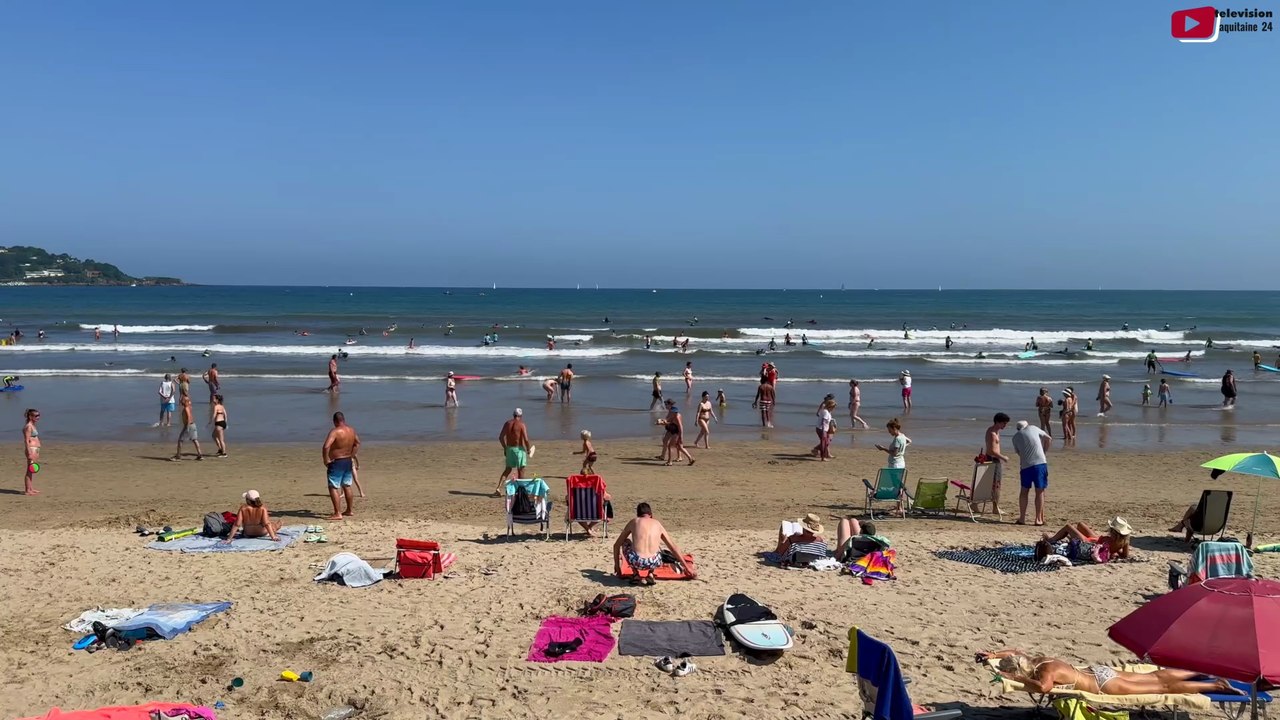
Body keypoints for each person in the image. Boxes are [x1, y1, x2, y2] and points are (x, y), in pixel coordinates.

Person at [980, 649, 1240, 696]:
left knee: (1162, 688)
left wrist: (1014, 679)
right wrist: (993, 655)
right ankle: (1197, 672)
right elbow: (1013, 649)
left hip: (1104, 686)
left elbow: (1044, 688)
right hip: (1099, 670)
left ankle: (1214, 685)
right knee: (1156, 677)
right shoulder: (1039, 658)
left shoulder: (1043, 672)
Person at [613, 502, 696, 584]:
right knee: (657, 546)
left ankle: (635, 574)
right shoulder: (657, 524)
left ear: (638, 515)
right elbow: (673, 547)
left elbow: (616, 545)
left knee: (625, 541)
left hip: (637, 561)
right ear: (651, 515)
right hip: (654, 562)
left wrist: (617, 568)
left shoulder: (634, 522)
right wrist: (686, 567)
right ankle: (650, 574)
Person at [1039, 517, 1132, 562]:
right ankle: (1059, 538)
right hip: (1096, 539)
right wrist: (1115, 551)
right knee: (1080, 524)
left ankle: (1051, 540)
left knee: (1068, 527)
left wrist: (1112, 552)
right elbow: (1125, 555)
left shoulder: (1109, 540)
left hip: (1088, 543)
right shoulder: (1124, 542)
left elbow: (1099, 547)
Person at [1011, 420, 1051, 526]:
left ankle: (1022, 518)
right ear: (1027, 426)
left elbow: (1019, 453)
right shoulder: (1033, 428)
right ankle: (1038, 519)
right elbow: (1048, 438)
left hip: (1025, 466)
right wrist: (1044, 451)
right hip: (1039, 463)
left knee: (1024, 491)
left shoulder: (1015, 438)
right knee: (1039, 491)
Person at [980, 413, 1011, 515]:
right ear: (998, 422)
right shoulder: (992, 433)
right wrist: (1003, 457)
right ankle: (995, 508)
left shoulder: (996, 431)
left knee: (989, 483)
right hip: (993, 460)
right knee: (996, 485)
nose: (1005, 426)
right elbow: (992, 451)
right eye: (1003, 423)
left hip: (993, 460)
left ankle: (976, 504)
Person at [496, 408, 532, 495]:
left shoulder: (507, 423)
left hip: (509, 449)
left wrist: (505, 448)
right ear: (521, 416)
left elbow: (501, 437)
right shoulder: (521, 424)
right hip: (518, 449)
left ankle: (498, 488)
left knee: (507, 469)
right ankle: (521, 491)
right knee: (521, 470)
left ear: (513, 415)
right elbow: (526, 439)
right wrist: (528, 449)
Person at [656, 399, 695, 466]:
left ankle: (669, 462)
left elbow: (680, 427)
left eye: (666, 404)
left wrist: (681, 437)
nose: (665, 406)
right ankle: (691, 459)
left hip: (676, 432)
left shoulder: (676, 415)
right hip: (671, 429)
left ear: (670, 405)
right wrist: (661, 422)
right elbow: (669, 422)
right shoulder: (671, 412)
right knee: (680, 447)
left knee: (670, 446)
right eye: (665, 404)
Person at [172, 395, 204, 461]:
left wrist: (187, 427)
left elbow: (189, 417)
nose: (181, 401)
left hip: (188, 425)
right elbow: (188, 403)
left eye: (182, 400)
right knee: (195, 440)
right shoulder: (189, 407)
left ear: (185, 401)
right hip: (193, 425)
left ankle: (178, 456)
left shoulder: (186, 408)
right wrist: (187, 400)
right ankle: (200, 455)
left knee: (180, 440)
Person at [22, 408, 41, 496]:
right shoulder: (28, 427)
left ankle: (31, 488)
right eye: (36, 416)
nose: (38, 417)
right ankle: (27, 490)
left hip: (35, 449)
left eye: (38, 415)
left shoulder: (32, 425)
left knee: (32, 469)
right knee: (29, 470)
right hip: (31, 449)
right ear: (30, 416)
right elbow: (26, 440)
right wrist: (29, 452)